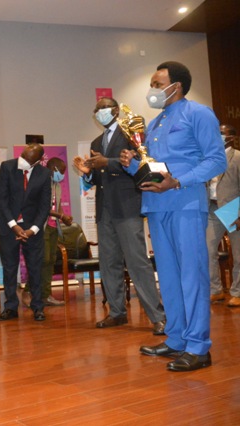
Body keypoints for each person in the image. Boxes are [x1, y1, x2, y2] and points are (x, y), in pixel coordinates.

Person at [120, 61, 226, 372]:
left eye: (157, 84)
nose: (152, 90)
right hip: (156, 206)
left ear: (175, 86)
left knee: (192, 275)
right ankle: (177, 338)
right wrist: (132, 164)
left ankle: (198, 347)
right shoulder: (154, 124)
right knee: (168, 276)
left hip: (185, 204)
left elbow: (216, 160)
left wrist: (178, 181)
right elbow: (152, 167)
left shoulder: (199, 114)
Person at [73, 97, 166, 335]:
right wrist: (87, 173)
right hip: (104, 210)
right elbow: (98, 177)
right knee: (109, 263)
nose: (98, 111)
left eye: (102, 107)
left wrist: (108, 162)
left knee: (137, 262)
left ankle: (157, 316)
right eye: (96, 108)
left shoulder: (130, 133)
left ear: (115, 110)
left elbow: (140, 162)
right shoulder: (96, 141)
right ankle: (117, 313)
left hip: (127, 207)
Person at [0, 143, 51, 322]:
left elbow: (44, 205)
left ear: (37, 162)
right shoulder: (7, 167)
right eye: (23, 156)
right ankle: (10, 307)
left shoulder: (44, 174)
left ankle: (38, 306)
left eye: (28, 160)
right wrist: (13, 225)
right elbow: (2, 199)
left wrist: (33, 229)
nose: (23, 161)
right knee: (10, 268)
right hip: (8, 224)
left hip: (32, 227)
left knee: (35, 268)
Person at [207, 124, 240, 306]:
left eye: (221, 133)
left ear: (231, 137)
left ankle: (237, 292)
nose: (217, 136)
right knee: (207, 249)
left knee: (238, 253)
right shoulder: (209, 157)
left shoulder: (238, 157)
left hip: (233, 209)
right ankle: (216, 290)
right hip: (212, 207)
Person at [40, 157, 72, 306]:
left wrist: (64, 217)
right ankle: (31, 291)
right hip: (43, 227)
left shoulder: (57, 185)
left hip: (54, 227)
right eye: (62, 171)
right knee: (43, 260)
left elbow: (57, 206)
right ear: (54, 169)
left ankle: (46, 295)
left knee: (51, 261)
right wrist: (61, 216)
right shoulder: (41, 183)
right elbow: (43, 208)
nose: (63, 175)